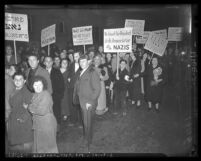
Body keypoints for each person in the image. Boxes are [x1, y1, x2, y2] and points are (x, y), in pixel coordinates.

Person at [73, 54, 101, 152]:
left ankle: (88, 144)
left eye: (84, 61)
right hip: (82, 102)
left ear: (88, 62)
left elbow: (97, 89)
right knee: (86, 123)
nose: (82, 63)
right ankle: (87, 139)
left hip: (88, 103)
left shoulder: (92, 72)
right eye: (80, 61)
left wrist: (90, 102)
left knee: (88, 124)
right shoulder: (82, 72)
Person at [25, 76, 58, 153]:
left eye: (40, 84)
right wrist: (31, 107)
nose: (38, 87)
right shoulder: (36, 94)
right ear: (32, 86)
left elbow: (42, 111)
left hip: (47, 124)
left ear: (43, 85)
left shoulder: (46, 95)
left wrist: (29, 107)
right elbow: (34, 107)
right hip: (39, 124)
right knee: (41, 147)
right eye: (35, 85)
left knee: (49, 147)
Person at [7, 71, 33, 153]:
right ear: (13, 80)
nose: (17, 81)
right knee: (16, 147)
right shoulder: (14, 90)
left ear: (24, 81)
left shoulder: (26, 92)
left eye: (20, 79)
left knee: (24, 147)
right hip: (14, 122)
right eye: (16, 79)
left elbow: (30, 108)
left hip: (22, 124)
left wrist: (22, 119)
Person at [44, 56, 64, 129]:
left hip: (55, 96)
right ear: (44, 62)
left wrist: (60, 95)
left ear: (52, 62)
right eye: (46, 61)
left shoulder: (57, 71)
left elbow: (61, 84)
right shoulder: (42, 72)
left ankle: (57, 126)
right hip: (45, 96)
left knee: (56, 111)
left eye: (50, 61)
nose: (48, 63)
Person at [67, 51, 82, 127]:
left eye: (77, 56)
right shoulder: (71, 64)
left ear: (80, 56)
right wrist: (69, 78)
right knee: (72, 104)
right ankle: (73, 120)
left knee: (80, 105)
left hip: (80, 88)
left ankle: (81, 122)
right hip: (71, 87)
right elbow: (69, 73)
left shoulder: (83, 65)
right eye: (74, 56)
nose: (75, 58)